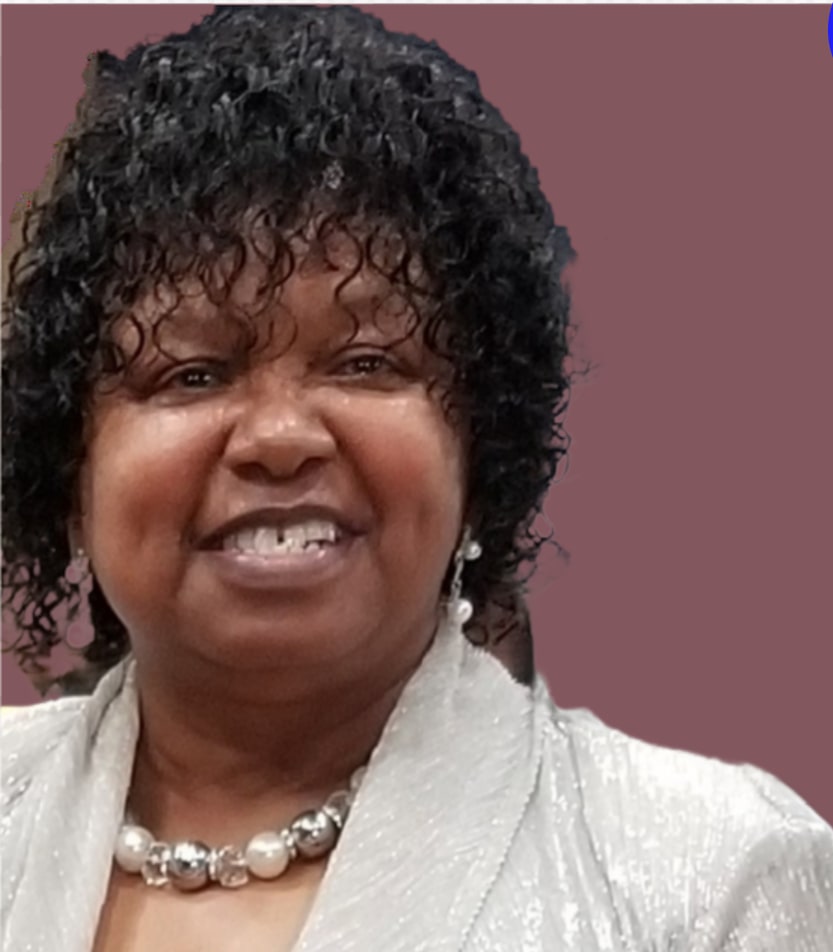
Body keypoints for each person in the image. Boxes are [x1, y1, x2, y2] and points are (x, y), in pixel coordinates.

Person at [2, 6, 831, 951]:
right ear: (68, 467)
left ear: (481, 446)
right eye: (192, 373)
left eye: (366, 363)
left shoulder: (716, 876)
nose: (279, 437)